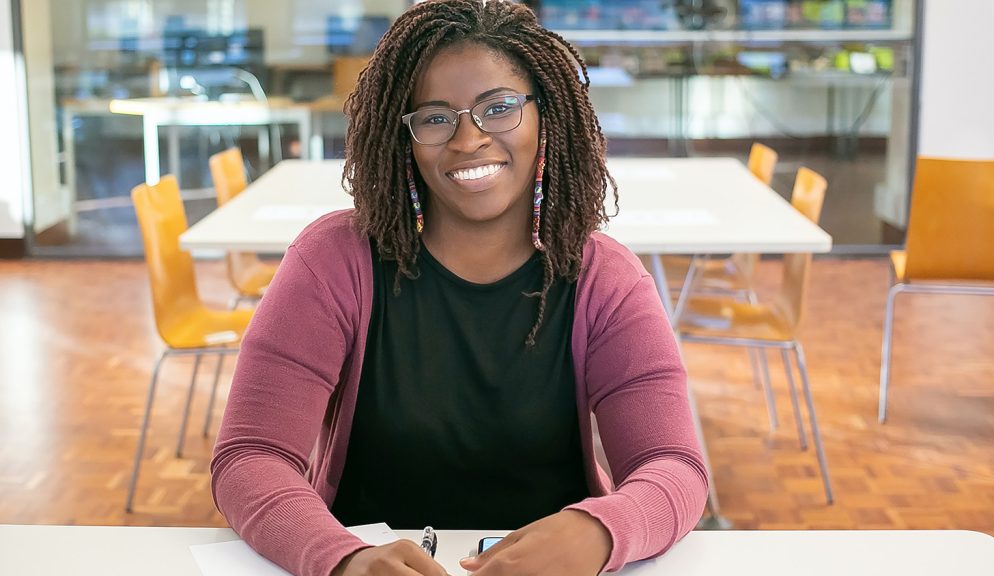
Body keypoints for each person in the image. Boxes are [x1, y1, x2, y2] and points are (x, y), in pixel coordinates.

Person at [210, 1, 709, 575]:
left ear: (547, 114)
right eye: (435, 117)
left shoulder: (606, 281)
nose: (469, 140)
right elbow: (251, 456)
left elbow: (673, 464)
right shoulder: (331, 262)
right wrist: (343, 559)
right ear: (405, 136)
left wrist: (602, 530)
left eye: (499, 108)